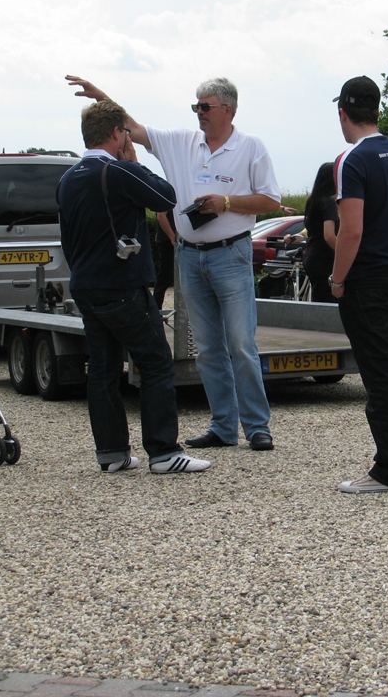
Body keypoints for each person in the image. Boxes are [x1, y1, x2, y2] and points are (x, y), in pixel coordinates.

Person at [66, 75, 281, 452]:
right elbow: (128, 126)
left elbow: (271, 201)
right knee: (208, 347)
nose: (198, 112)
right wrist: (100, 96)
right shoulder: (181, 141)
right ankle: (223, 426)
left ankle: (256, 426)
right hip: (190, 255)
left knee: (240, 343)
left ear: (228, 110)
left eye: (205, 106)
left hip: (231, 253)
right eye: (196, 106)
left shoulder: (251, 147)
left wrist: (226, 203)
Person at [56, 99, 211, 475]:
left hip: (86, 285)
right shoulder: (117, 171)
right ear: (116, 133)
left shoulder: (68, 178)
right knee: (156, 363)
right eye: (126, 132)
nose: (128, 138)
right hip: (122, 285)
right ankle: (163, 452)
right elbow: (166, 196)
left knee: (103, 369)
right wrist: (133, 161)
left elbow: (67, 238)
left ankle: (112, 453)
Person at [327, 76, 388, 493]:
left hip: (369, 281)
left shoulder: (352, 160)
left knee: (379, 376)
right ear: (376, 109)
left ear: (342, 113)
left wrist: (337, 279)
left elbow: (351, 231)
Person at [298, 162, 339, 303]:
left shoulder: (313, 201)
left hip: (312, 255)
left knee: (319, 297)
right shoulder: (329, 204)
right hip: (325, 258)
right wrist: (345, 253)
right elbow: (329, 236)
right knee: (328, 301)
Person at [152, 209, 177, 310]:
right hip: (167, 241)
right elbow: (161, 216)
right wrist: (172, 237)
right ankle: (155, 310)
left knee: (165, 278)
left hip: (170, 239)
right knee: (164, 278)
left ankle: (155, 309)